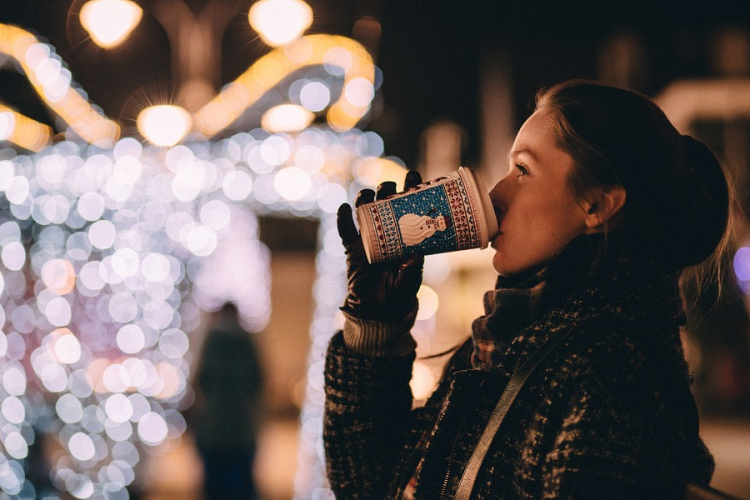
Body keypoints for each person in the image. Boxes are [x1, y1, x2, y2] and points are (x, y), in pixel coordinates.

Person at [324, 80, 730, 499]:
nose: (496, 194)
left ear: (598, 205)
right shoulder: (509, 340)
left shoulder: (609, 370)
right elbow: (369, 484)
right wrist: (377, 322)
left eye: (523, 170)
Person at [190, 302, 264, 500]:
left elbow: (201, 380)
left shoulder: (212, 343)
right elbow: (258, 381)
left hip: (215, 429)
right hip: (241, 429)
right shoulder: (247, 343)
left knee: (215, 486)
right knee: (240, 487)